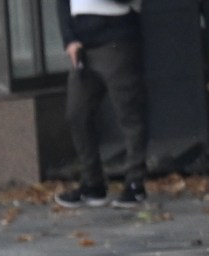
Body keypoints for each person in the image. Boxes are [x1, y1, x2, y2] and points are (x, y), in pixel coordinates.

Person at [54, 0, 147, 209]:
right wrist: (69, 39)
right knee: (77, 114)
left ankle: (135, 182)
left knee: (128, 112)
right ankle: (93, 183)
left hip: (117, 40)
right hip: (83, 46)